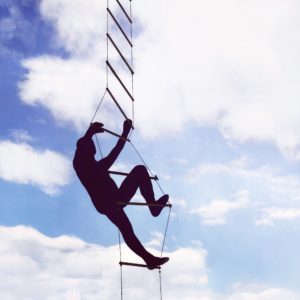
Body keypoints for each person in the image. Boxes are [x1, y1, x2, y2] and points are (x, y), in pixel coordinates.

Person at [73, 119, 169, 269]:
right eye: (90, 146)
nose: (92, 147)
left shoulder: (94, 164)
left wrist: (121, 132)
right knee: (127, 229)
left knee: (127, 228)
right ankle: (153, 210)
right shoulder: (83, 166)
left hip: (113, 200)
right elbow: (89, 148)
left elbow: (108, 149)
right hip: (109, 202)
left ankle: (153, 210)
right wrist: (92, 133)